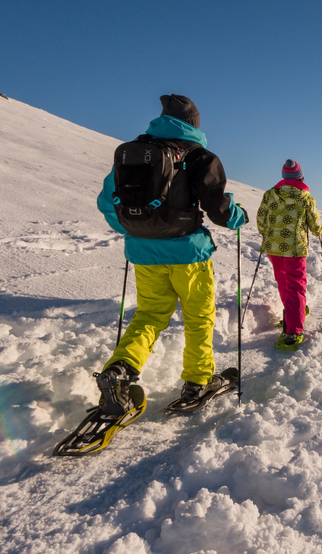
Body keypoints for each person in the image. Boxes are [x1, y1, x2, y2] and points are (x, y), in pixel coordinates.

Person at [95, 94, 247, 412]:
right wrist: (239, 215)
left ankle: (119, 371)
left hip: (144, 254)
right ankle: (198, 381)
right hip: (189, 255)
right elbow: (220, 211)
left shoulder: (134, 154)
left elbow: (107, 203)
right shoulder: (200, 156)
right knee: (198, 319)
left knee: (149, 316)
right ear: (193, 124)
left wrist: (139, 232)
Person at [256, 159, 322, 347]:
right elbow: (314, 222)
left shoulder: (270, 194)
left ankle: (294, 312)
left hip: (273, 246)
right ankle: (293, 330)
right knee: (296, 285)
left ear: (284, 177)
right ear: (301, 176)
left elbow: (261, 218)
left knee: (283, 280)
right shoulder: (305, 197)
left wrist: (269, 234)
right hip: (294, 248)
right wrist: (319, 233)